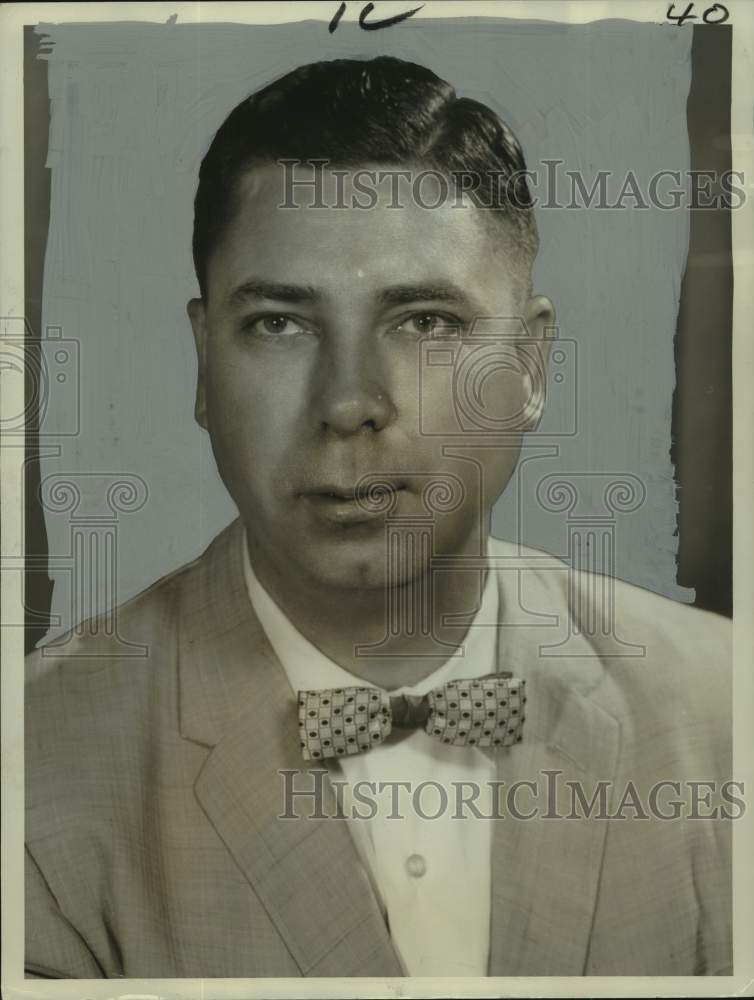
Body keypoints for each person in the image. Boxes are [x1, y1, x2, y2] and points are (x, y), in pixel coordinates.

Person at [25, 55, 732, 979]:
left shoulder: (726, 707)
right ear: (204, 362)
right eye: (281, 323)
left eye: (426, 322)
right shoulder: (31, 761)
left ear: (530, 366)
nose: (350, 402)